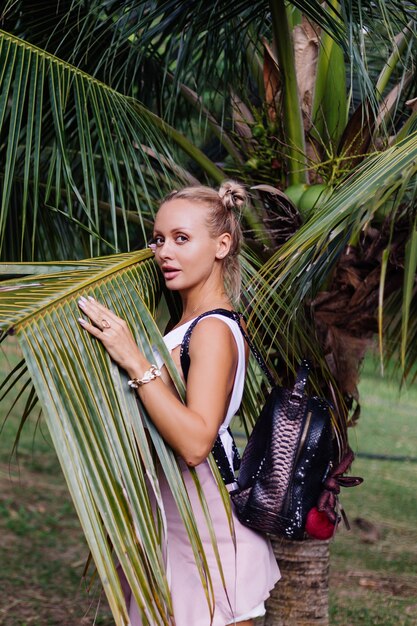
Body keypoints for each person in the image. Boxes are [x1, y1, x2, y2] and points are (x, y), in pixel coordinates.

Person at [77, 181, 280, 626]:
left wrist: (133, 358)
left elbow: (194, 442)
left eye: (181, 239)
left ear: (222, 245)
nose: (164, 251)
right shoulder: (185, 321)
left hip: (206, 529)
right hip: (175, 522)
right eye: (159, 239)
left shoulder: (210, 330)